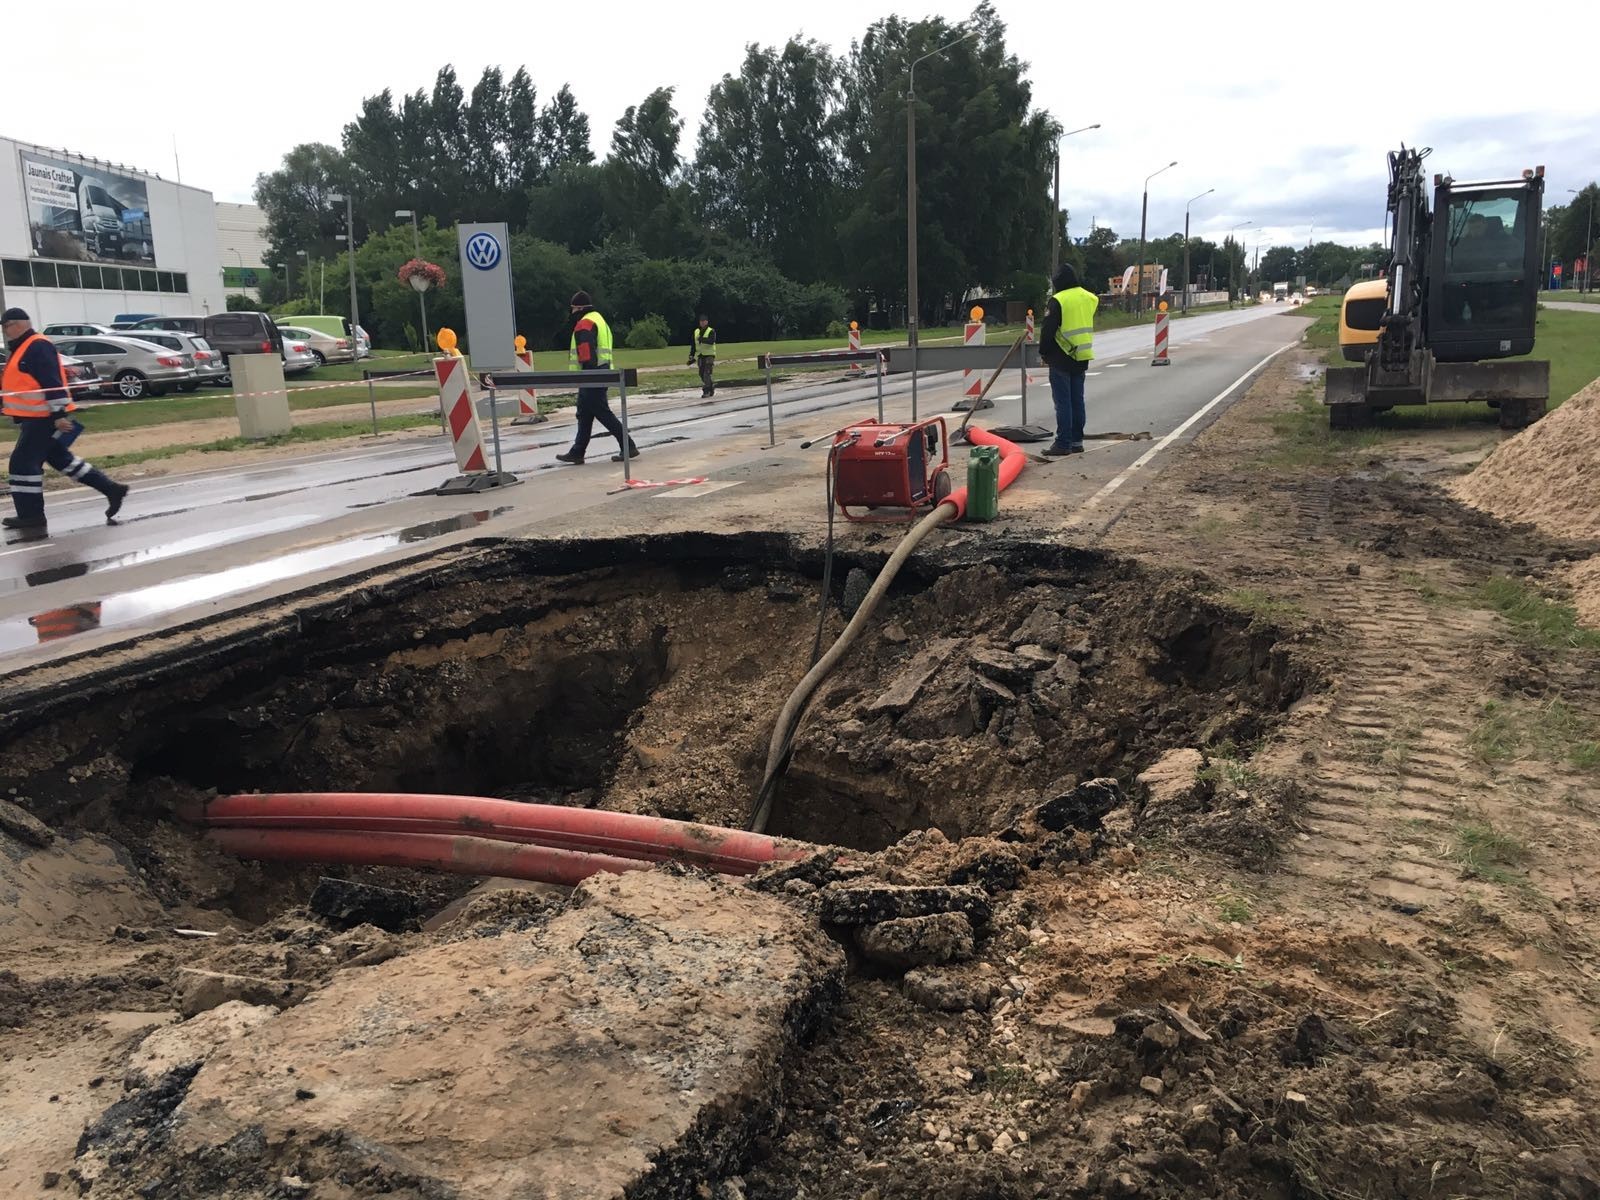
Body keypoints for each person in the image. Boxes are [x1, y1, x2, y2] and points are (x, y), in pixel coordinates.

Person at [2, 308, 127, 537]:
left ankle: (31, 515)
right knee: (61, 459)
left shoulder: (36, 345)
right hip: (38, 417)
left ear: (15, 325)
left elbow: (52, 382)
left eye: (5, 326)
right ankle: (112, 489)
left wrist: (58, 414)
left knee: (22, 464)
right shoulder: (26, 346)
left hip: (44, 418)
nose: (5, 332)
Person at [555, 291, 640, 465]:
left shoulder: (585, 323)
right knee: (584, 414)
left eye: (573, 310)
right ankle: (577, 451)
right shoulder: (599, 319)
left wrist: (588, 375)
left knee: (602, 412)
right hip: (602, 371)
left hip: (591, 374)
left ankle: (628, 445)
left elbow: (586, 353)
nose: (571, 314)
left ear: (579, 308)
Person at [1038, 264, 1098, 456]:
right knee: (1077, 400)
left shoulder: (1058, 300)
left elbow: (1048, 330)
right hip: (1081, 355)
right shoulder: (1090, 298)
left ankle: (1063, 443)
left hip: (1060, 356)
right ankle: (1076, 441)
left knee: (1063, 402)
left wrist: (1043, 352)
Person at [688, 315, 716, 397]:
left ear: (707, 322)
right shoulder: (696, 331)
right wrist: (691, 355)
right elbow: (693, 344)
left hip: (709, 355)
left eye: (704, 321)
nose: (702, 323)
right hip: (700, 355)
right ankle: (711, 386)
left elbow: (711, 341)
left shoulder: (711, 331)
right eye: (701, 321)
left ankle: (706, 390)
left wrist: (702, 339)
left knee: (706, 373)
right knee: (701, 373)